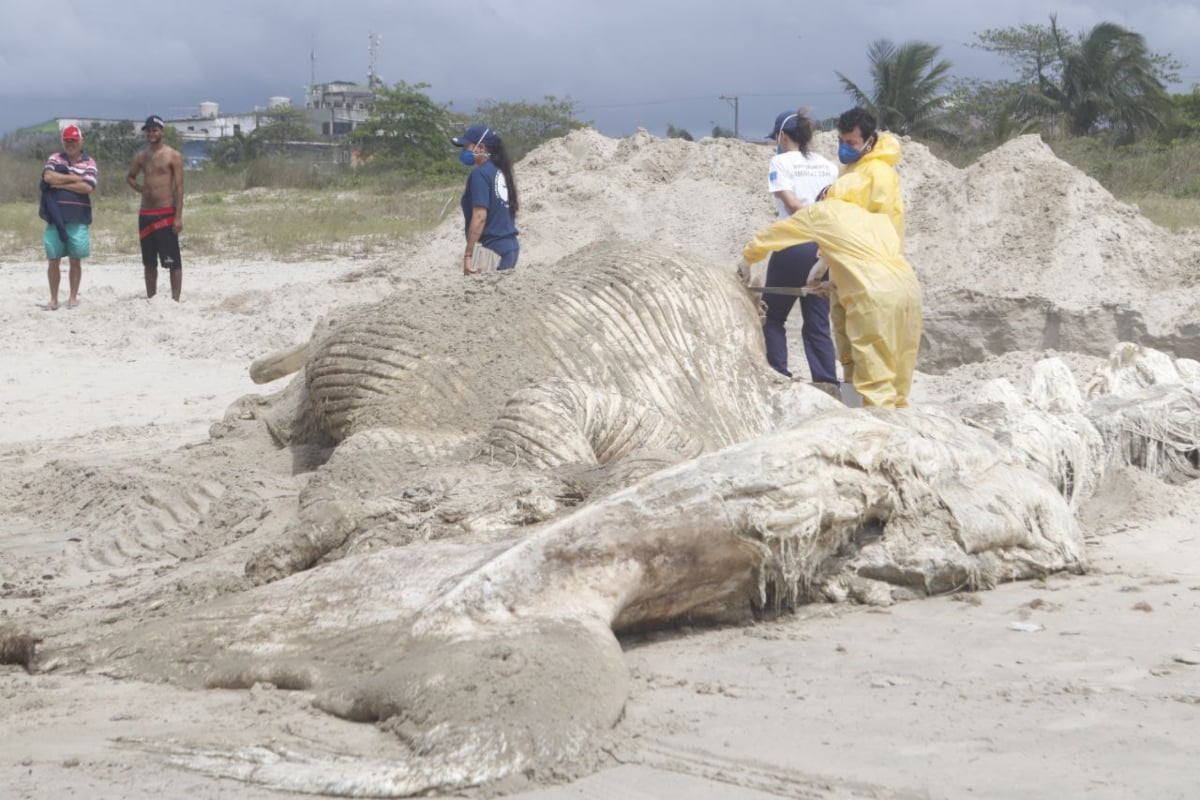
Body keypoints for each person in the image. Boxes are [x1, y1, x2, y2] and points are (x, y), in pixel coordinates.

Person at [739, 198, 922, 409]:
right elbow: (865, 258)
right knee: (899, 367)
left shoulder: (822, 212)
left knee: (872, 371)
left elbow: (776, 233)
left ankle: (875, 422)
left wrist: (747, 258)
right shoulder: (874, 220)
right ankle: (893, 414)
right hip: (909, 290)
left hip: (873, 295)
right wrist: (827, 281)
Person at [759, 110, 839, 383]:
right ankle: (826, 382)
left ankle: (778, 376)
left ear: (782, 135)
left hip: (793, 245)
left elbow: (792, 205)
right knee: (817, 322)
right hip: (823, 250)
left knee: (771, 315)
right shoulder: (828, 166)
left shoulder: (780, 162)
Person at [127, 115, 185, 300]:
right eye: (148, 130)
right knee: (149, 261)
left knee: (172, 260)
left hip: (165, 212)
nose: (151, 133)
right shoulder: (141, 156)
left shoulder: (173, 155)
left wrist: (178, 217)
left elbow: (179, 188)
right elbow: (130, 177)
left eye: (155, 130)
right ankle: (151, 297)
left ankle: (175, 299)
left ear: (162, 131)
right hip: (146, 213)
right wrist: (141, 189)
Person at [39, 125, 97, 310]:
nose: (70, 144)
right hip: (54, 219)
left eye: (73, 140)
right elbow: (48, 177)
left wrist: (60, 183)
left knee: (75, 259)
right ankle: (54, 299)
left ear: (81, 141)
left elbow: (88, 187)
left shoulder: (89, 162)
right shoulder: (55, 158)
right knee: (53, 259)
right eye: (67, 140)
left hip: (78, 219)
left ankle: (72, 298)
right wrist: (75, 178)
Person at [825, 106, 904, 241]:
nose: (843, 148)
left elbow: (882, 223)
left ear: (870, 142)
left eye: (851, 143)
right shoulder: (851, 167)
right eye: (841, 141)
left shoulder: (879, 173)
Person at [452, 125, 519, 274]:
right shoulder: (501, 171)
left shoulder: (480, 174)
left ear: (481, 147)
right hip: (510, 247)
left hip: (490, 249)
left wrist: (468, 255)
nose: (464, 151)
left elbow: (480, 216)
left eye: (467, 147)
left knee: (476, 288)